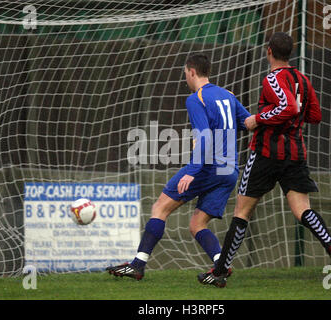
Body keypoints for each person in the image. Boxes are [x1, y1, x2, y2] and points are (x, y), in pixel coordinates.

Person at [198, 32, 331, 288]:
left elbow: (288, 107)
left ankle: (220, 271)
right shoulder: (302, 79)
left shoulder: (272, 78)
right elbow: (314, 115)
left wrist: (258, 119)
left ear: (269, 51)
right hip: (296, 153)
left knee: (242, 212)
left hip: (266, 153)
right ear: (289, 53)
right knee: (303, 210)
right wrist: (291, 120)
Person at [106, 54, 253, 280]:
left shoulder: (196, 98)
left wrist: (193, 172)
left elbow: (203, 138)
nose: (185, 76)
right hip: (230, 171)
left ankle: (138, 265)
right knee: (197, 224)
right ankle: (220, 268)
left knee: (160, 208)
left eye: (185, 72)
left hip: (208, 166)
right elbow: (248, 122)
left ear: (191, 71)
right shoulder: (228, 95)